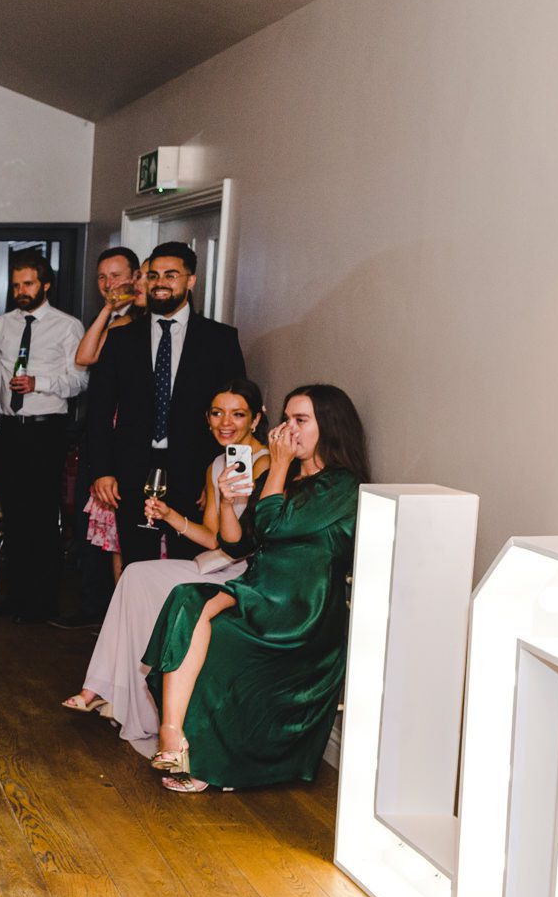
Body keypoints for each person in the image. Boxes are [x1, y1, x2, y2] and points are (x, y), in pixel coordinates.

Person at [144, 386, 368, 793]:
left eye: (301, 420)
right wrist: (228, 504)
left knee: (217, 639)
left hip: (299, 614)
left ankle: (208, 764)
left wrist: (278, 465)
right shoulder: (279, 476)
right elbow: (238, 544)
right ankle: (172, 737)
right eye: (287, 419)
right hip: (258, 593)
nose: (287, 430)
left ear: (329, 427)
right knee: (184, 598)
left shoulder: (341, 485)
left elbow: (274, 525)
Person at [66, 382, 268, 749]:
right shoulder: (218, 464)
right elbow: (214, 538)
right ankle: (104, 688)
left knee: (154, 584)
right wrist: (171, 515)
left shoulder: (267, 465)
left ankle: (119, 694)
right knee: (136, 573)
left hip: (250, 572)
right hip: (221, 561)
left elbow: (245, 545)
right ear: (207, 419)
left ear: (255, 419)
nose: (226, 422)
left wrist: (229, 501)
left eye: (237, 414)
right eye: (217, 413)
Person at [83, 242, 248, 567]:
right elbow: (99, 410)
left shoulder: (220, 339)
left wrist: (219, 476)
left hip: (196, 470)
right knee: (136, 564)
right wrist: (101, 471)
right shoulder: (121, 339)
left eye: (171, 275)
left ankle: (183, 620)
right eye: (153, 275)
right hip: (131, 469)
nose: (160, 282)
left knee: (191, 563)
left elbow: (238, 415)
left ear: (191, 280)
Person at [0, 251, 85, 623]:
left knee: (43, 518)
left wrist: (38, 383)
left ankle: (43, 602)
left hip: (46, 430)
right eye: (16, 285)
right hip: (10, 431)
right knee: (14, 517)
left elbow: (79, 381)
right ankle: (15, 598)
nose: (21, 291)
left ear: (45, 284)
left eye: (28, 284)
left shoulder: (67, 326)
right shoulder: (3, 324)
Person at [73, 247, 146, 599]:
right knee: (112, 533)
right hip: (105, 429)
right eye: (102, 277)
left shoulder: (140, 321)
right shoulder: (113, 318)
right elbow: (84, 355)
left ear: (135, 277)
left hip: (130, 433)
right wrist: (107, 309)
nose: (108, 284)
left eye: (116, 276)